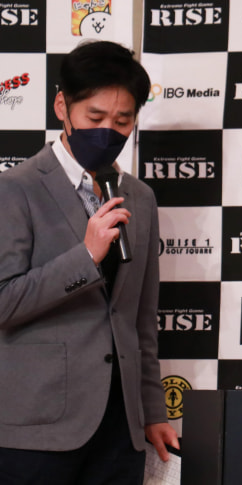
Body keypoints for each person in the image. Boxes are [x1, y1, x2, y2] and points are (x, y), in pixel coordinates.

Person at [0, 40, 178, 484]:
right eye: (95, 118)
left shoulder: (139, 197)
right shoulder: (15, 189)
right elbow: (4, 302)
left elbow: (141, 318)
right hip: (39, 428)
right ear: (62, 106)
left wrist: (152, 411)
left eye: (122, 121)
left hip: (120, 429)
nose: (107, 132)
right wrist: (85, 256)